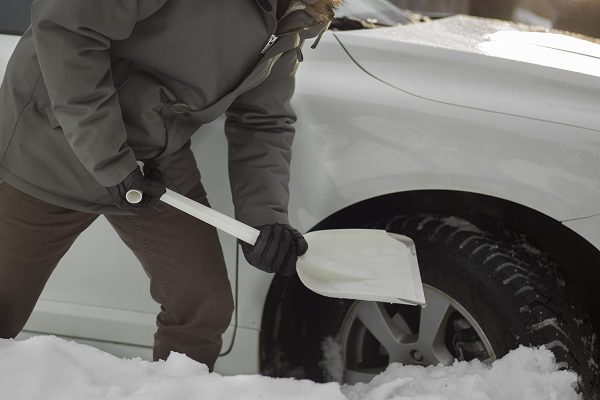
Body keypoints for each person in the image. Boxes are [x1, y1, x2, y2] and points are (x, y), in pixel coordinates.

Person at [0, 0, 341, 371]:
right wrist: (111, 160)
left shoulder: (295, 12)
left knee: (201, 305)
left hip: (154, 158)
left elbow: (263, 119)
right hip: (52, 142)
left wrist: (264, 219)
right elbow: (65, 27)